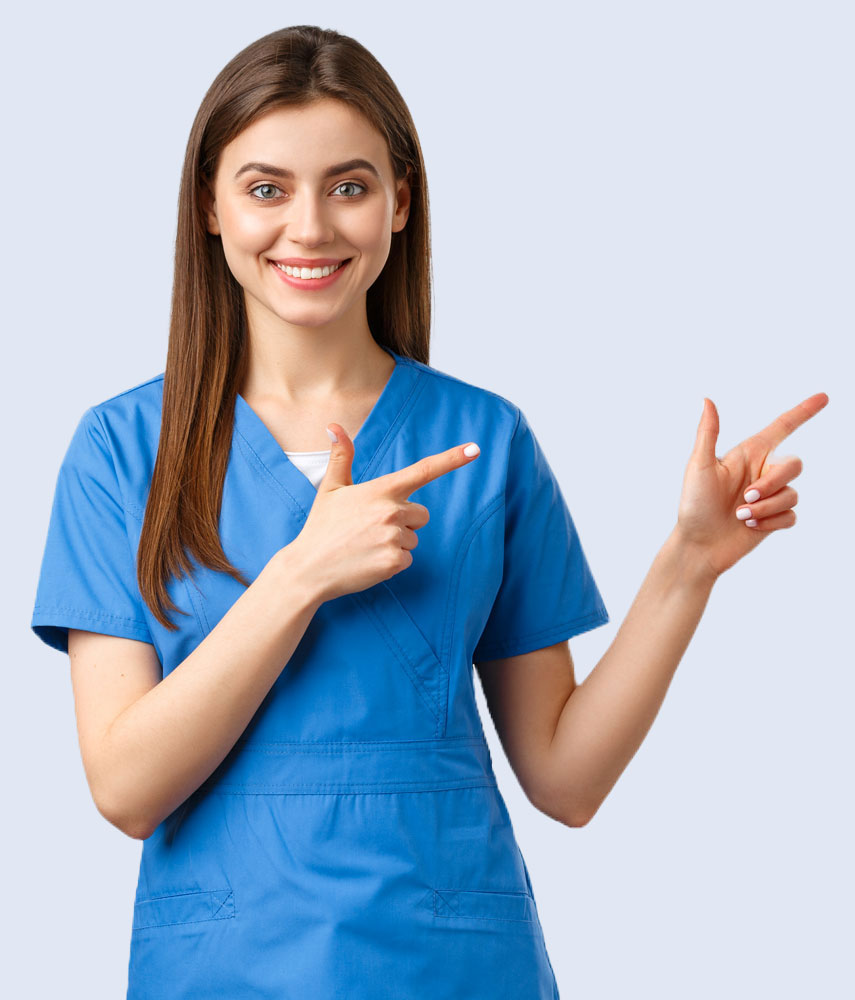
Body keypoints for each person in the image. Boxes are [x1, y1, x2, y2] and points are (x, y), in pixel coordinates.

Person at [30, 24, 828, 1000]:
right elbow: (124, 786)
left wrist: (689, 562)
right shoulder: (120, 453)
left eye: (350, 186)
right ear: (209, 204)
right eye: (267, 187)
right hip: (225, 970)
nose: (311, 227)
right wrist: (301, 573)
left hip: (451, 967)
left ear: (399, 203)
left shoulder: (482, 440)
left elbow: (566, 780)